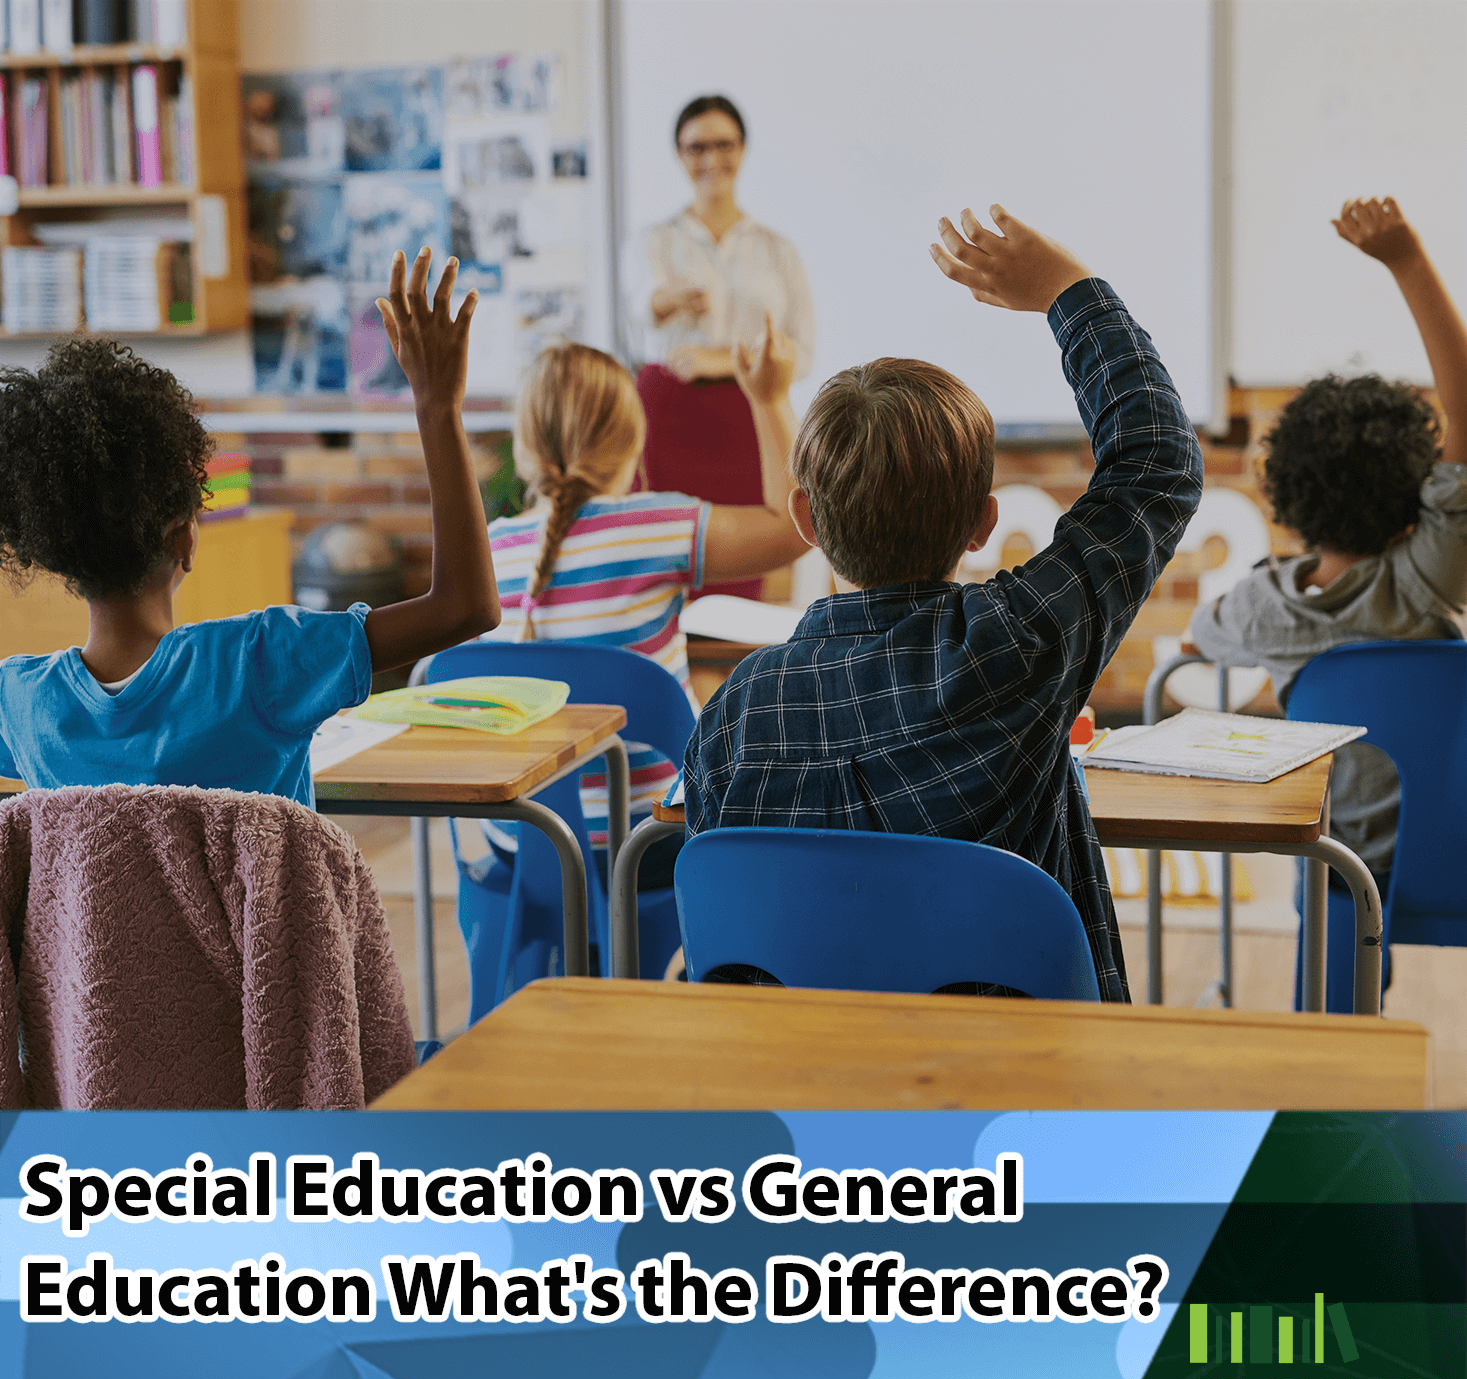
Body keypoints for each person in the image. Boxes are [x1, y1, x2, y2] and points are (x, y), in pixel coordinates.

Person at [682, 206, 1205, 1001]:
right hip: (1023, 1091)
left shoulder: (734, 714)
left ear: (804, 523)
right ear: (982, 524)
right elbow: (1157, 461)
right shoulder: (1015, 647)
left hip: (806, 1095)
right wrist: (1068, 290)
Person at [0, 246, 498, 808]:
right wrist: (437, 406)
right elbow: (468, 607)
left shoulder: (21, 703)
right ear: (183, 539)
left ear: (49, 551)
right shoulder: (261, 664)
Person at [1187, 197, 1467, 1008]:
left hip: (1341, 869)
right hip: (1453, 848)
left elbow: (1197, 649)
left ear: (1286, 500)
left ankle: (1333, 1056)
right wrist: (1407, 260)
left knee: (1328, 883)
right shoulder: (1425, 580)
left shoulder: (1259, 608)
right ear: (1419, 499)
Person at [484, 318, 808, 875]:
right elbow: (798, 523)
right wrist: (769, 398)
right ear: (633, 442)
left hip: (522, 846)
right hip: (646, 844)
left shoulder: (490, 552)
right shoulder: (655, 526)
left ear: (525, 447)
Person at [628, 94, 815, 598]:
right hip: (669, 416)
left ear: (743, 149)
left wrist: (721, 359)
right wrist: (667, 301)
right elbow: (639, 311)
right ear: (679, 155)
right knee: (661, 559)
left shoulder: (777, 249)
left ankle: (733, 675)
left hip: (749, 414)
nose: (712, 159)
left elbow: (802, 350)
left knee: (748, 559)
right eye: (697, 148)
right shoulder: (654, 240)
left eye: (724, 145)